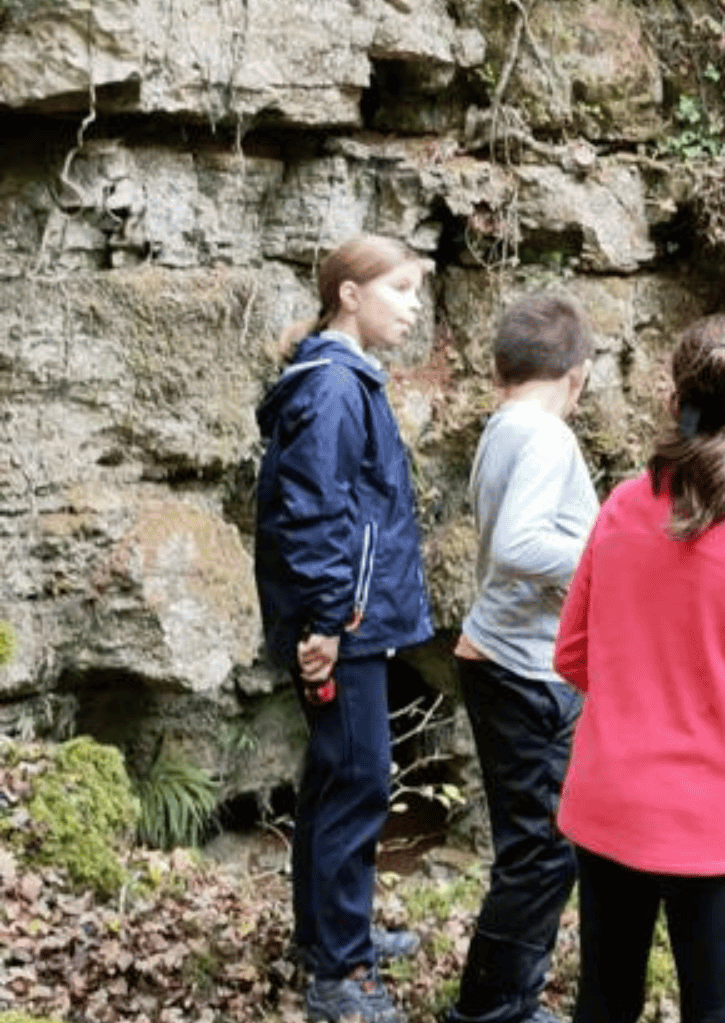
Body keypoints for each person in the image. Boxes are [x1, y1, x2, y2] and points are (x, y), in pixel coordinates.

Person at [555, 314, 725, 1023]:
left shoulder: (620, 507)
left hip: (607, 804)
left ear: (673, 401)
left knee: (604, 1002)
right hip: (711, 823)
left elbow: (571, 654)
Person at [254, 235, 435, 1023]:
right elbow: (314, 515)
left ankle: (329, 935)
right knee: (358, 780)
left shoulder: (344, 378)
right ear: (349, 294)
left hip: (350, 621)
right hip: (343, 628)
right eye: (398, 289)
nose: (412, 305)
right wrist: (328, 622)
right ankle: (339, 975)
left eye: (416, 291)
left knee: (335, 779)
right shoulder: (331, 387)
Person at [447, 295, 598, 1023]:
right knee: (541, 855)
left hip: (505, 659)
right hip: (523, 668)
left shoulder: (503, 427)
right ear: (579, 374)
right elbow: (518, 546)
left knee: (534, 851)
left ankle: (502, 1003)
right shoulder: (545, 437)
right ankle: (491, 1012)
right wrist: (608, 559)